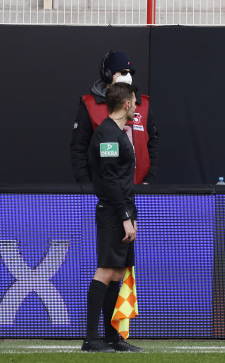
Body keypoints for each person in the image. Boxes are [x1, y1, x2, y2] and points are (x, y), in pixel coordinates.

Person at [82, 83, 144, 353]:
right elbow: (109, 180)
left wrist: (131, 215)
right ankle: (90, 338)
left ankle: (110, 336)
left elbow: (120, 179)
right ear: (127, 104)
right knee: (106, 271)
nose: (136, 106)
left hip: (122, 211)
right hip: (111, 213)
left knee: (117, 272)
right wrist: (124, 217)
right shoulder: (107, 134)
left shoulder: (117, 132)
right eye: (134, 101)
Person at [71, 51, 159, 186]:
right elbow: (79, 148)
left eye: (130, 72)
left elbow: (153, 144)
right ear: (107, 74)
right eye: (123, 72)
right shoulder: (89, 105)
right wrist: (86, 185)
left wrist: (149, 180)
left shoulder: (142, 105)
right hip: (103, 192)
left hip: (140, 190)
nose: (128, 77)